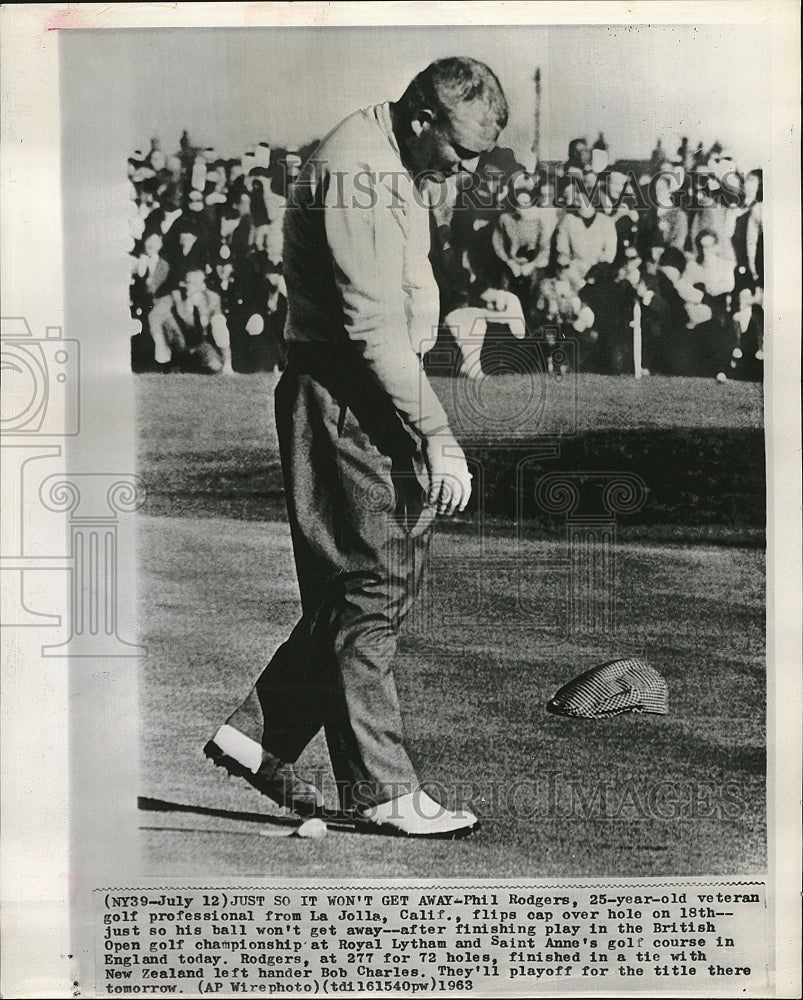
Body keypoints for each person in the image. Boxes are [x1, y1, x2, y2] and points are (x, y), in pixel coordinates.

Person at [205, 57, 510, 838]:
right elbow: (371, 330)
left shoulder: (393, 157)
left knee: (377, 582)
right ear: (421, 120)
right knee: (371, 585)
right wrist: (437, 437)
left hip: (365, 389)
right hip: (345, 393)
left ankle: (259, 732)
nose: (470, 170)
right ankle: (380, 790)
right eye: (464, 151)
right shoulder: (356, 169)